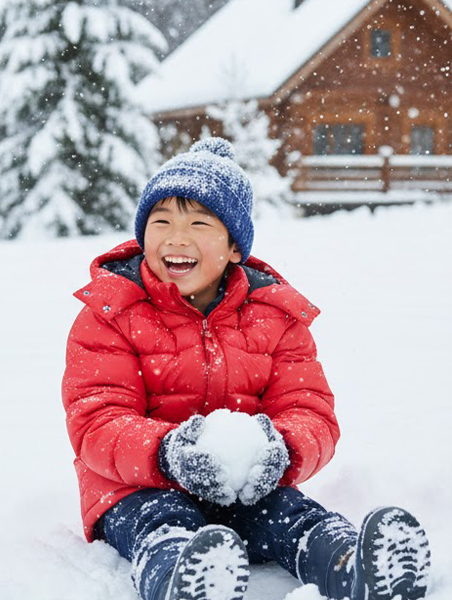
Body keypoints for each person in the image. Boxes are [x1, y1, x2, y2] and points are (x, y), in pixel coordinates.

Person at [61, 138, 431, 600]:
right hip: (135, 487)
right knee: (162, 523)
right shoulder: (112, 312)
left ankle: (355, 567)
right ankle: (185, 581)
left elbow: (310, 409)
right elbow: (96, 419)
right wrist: (168, 454)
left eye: (198, 223)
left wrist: (282, 450)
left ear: (234, 246)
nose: (176, 238)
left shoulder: (275, 317)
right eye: (161, 222)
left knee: (293, 517)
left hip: (244, 485)